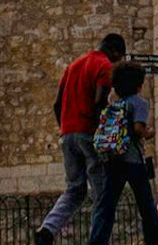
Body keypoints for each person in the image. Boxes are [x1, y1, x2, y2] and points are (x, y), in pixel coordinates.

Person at [36, 33, 126, 245]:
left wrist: (65, 128)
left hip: (67, 134)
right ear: (114, 51)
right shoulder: (104, 65)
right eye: (120, 57)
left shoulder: (74, 65)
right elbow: (100, 100)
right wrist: (103, 134)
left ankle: (48, 229)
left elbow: (57, 104)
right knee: (102, 193)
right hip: (89, 134)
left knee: (74, 190)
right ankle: (98, 241)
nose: (118, 62)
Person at [89, 63, 158, 245]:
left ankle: (96, 241)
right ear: (138, 85)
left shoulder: (116, 103)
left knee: (106, 206)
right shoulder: (139, 102)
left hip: (112, 159)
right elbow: (138, 129)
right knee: (146, 206)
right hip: (133, 161)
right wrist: (150, 132)